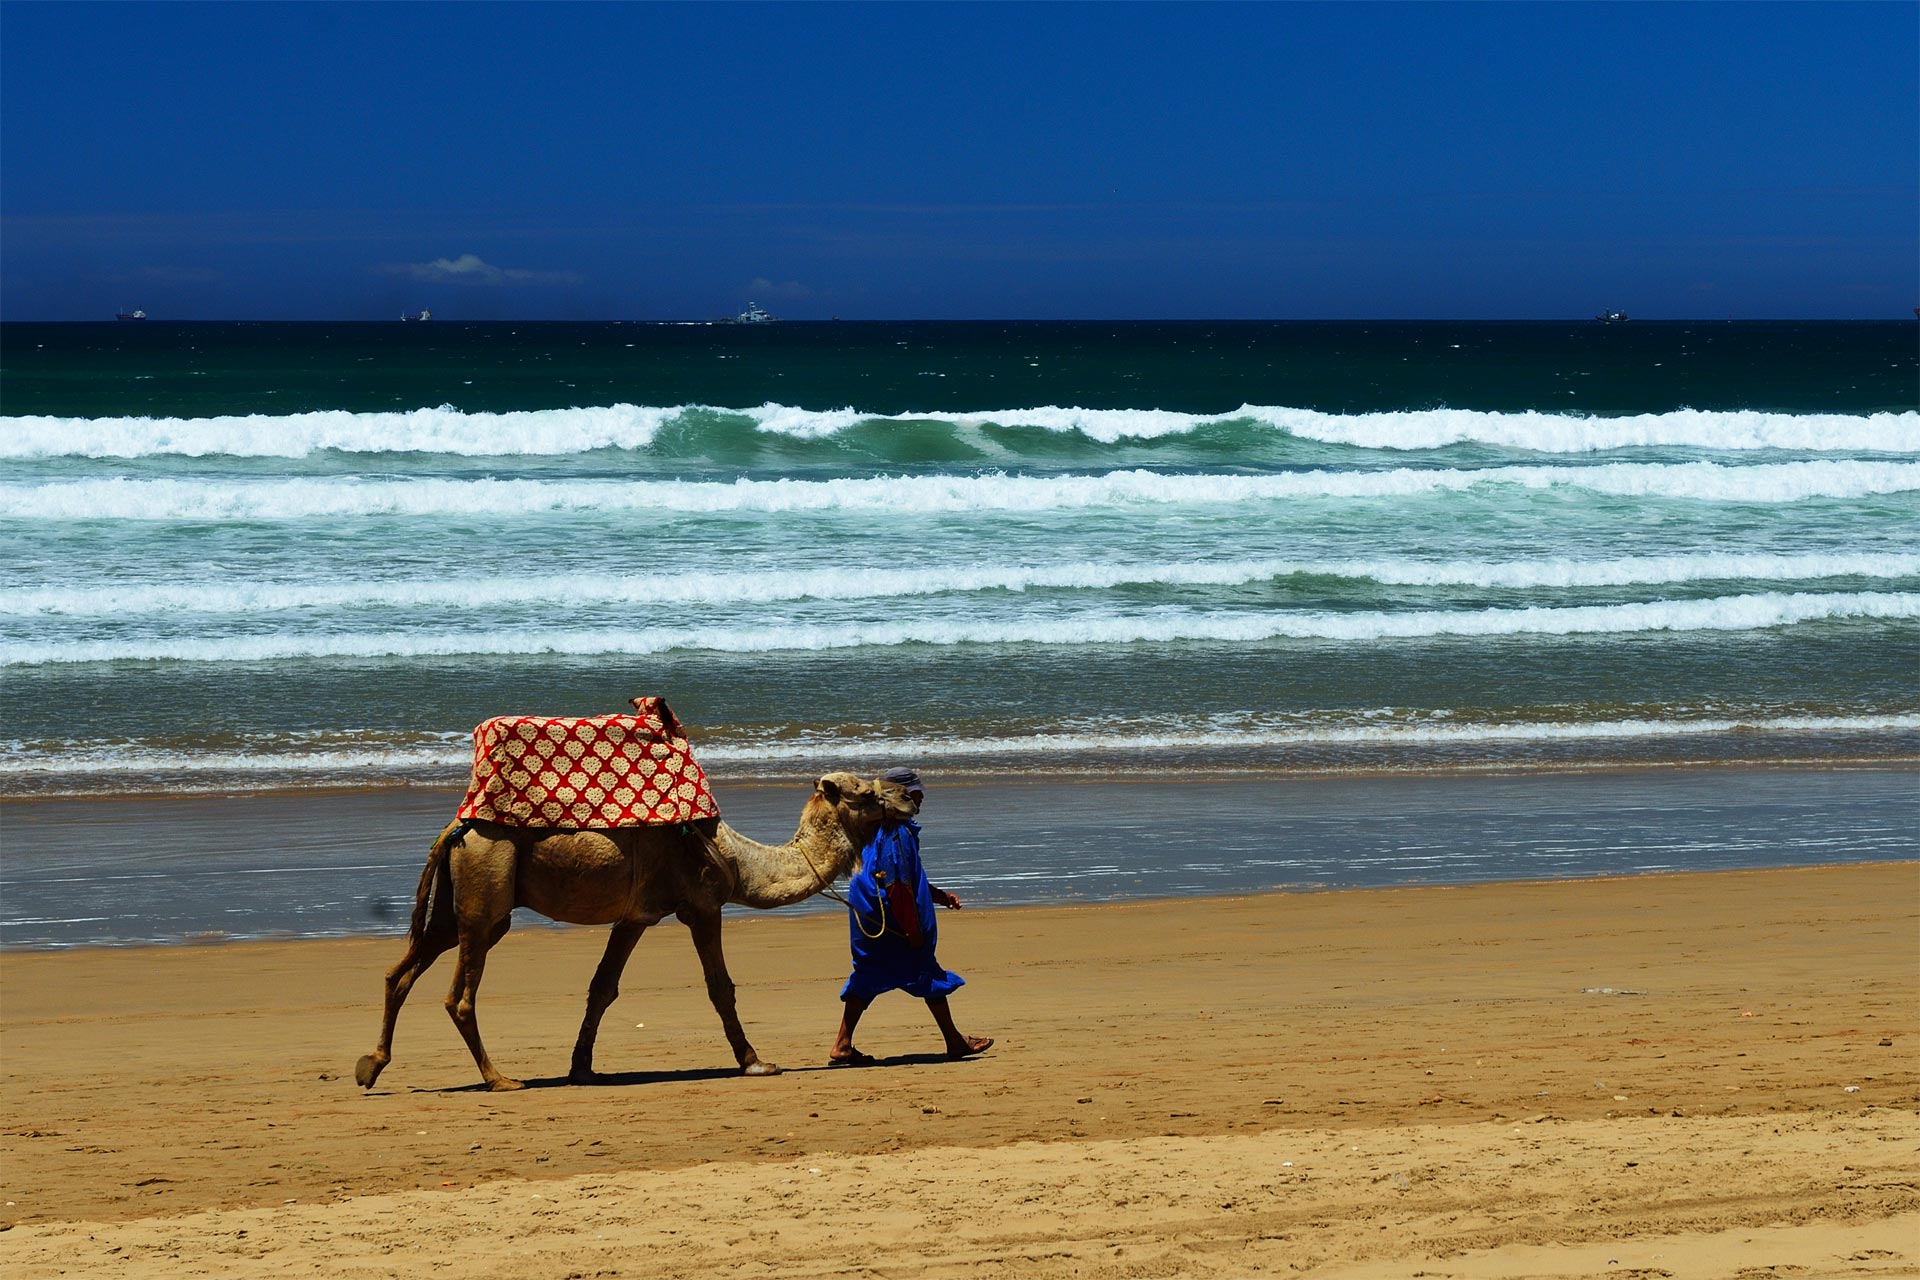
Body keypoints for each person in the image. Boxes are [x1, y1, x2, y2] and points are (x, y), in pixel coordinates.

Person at [829, 766, 993, 1066]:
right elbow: (899, 885)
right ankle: (954, 1041)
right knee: (923, 970)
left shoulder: (870, 829)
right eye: (916, 793)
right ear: (902, 795)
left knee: (868, 974)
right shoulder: (897, 833)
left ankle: (842, 1044)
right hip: (888, 917)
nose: (920, 799)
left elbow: (902, 875)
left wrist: (940, 896)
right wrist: (912, 929)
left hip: (867, 916)